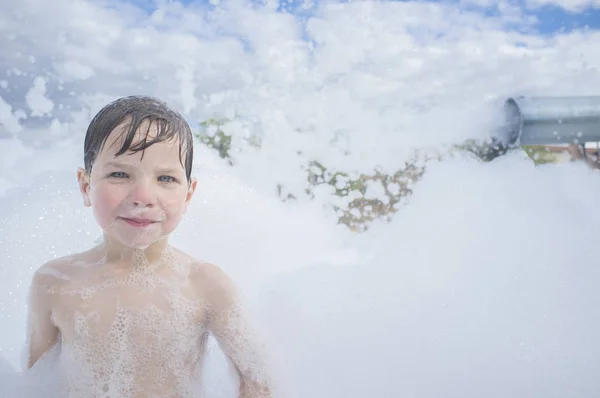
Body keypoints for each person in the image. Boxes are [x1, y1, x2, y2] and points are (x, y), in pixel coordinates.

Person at [25, 96, 274, 398]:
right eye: (119, 174)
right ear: (85, 185)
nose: (143, 196)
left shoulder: (206, 286)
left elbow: (259, 382)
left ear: (188, 194)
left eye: (166, 178)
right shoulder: (54, 283)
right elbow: (34, 383)